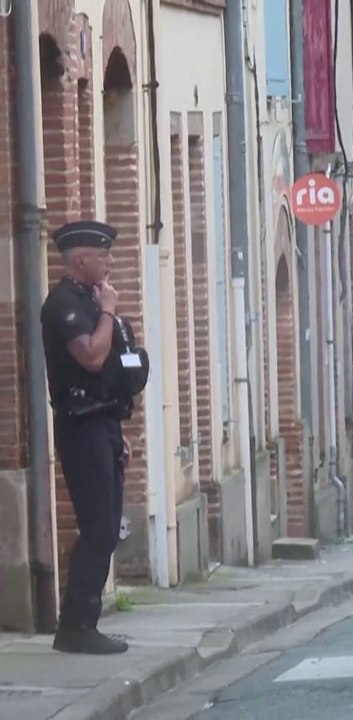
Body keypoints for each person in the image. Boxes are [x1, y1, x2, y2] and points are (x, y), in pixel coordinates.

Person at [42, 221, 151, 654]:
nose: (109, 262)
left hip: (103, 425)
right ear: (79, 260)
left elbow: (114, 371)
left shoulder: (89, 299)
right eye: (102, 255)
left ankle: (82, 623)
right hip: (80, 425)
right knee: (98, 529)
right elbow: (91, 356)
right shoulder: (64, 304)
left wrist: (117, 430)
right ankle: (75, 627)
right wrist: (107, 310)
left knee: (106, 528)